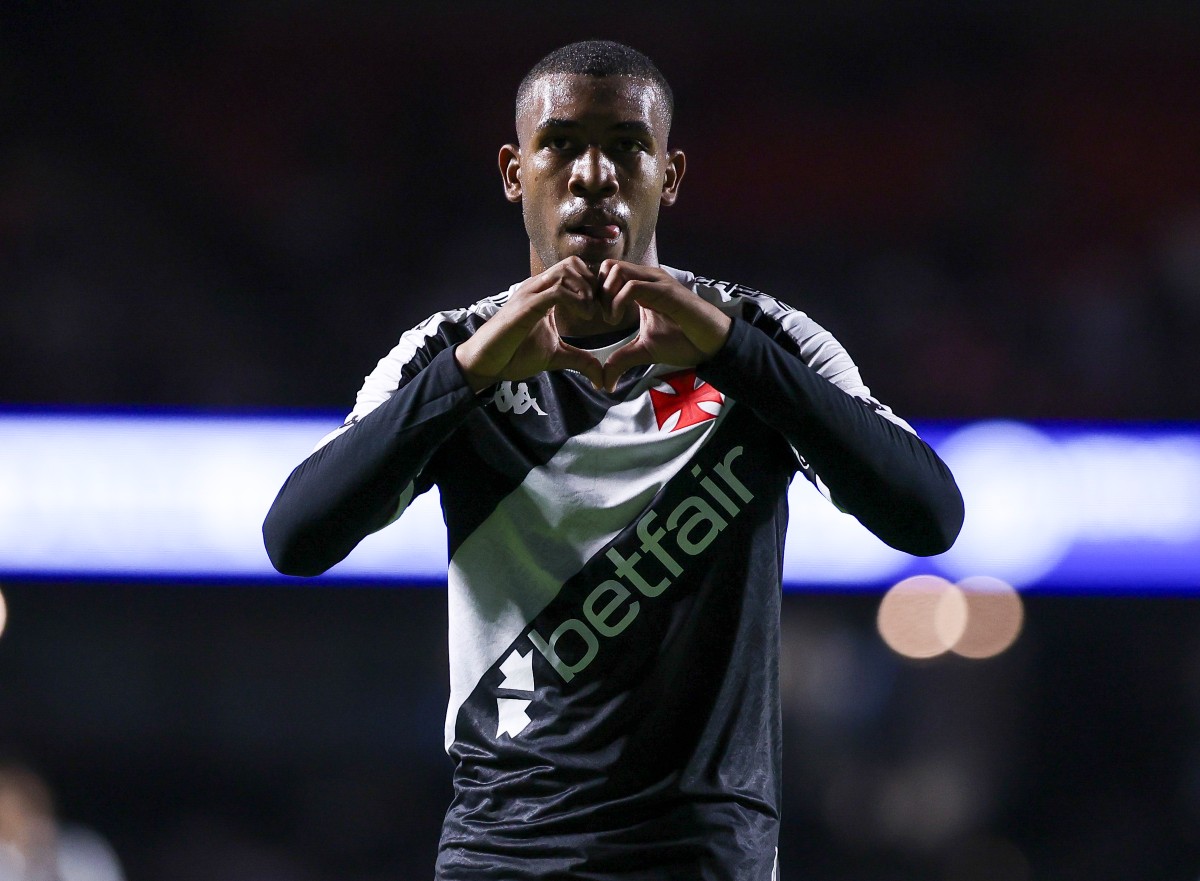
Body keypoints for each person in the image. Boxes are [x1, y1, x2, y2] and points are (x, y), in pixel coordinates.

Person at [264, 39, 964, 880]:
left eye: (627, 145)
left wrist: (732, 355)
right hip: (504, 853)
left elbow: (929, 517)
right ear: (513, 171)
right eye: (559, 142)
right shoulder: (451, 352)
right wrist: (469, 377)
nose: (592, 173)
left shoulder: (763, 341)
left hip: (703, 859)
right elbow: (295, 538)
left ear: (667, 175)